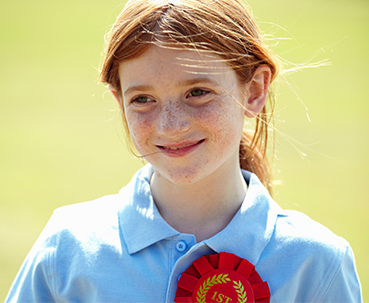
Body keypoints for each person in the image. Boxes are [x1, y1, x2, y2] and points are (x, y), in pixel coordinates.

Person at [6, 0, 362, 302]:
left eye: (197, 92)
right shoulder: (68, 248)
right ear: (119, 102)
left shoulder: (316, 263)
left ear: (253, 90)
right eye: (143, 99)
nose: (170, 126)